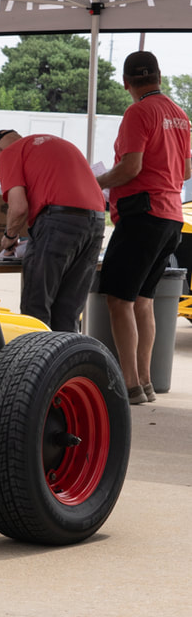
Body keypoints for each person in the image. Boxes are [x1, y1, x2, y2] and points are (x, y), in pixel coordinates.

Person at [96, 51, 192, 404]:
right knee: (143, 300)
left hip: (142, 214)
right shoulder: (179, 114)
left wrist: (97, 181)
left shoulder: (138, 112)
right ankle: (146, 383)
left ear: (126, 83)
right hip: (171, 217)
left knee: (118, 300)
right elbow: (185, 172)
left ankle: (129, 385)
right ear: (159, 76)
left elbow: (131, 167)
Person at [0, 129, 105, 332]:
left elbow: (19, 207)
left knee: (36, 307)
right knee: (68, 311)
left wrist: (9, 236)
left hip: (59, 221)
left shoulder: (9, 153)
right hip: (96, 222)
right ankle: (64, 363)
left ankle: (34, 364)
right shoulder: (56, 144)